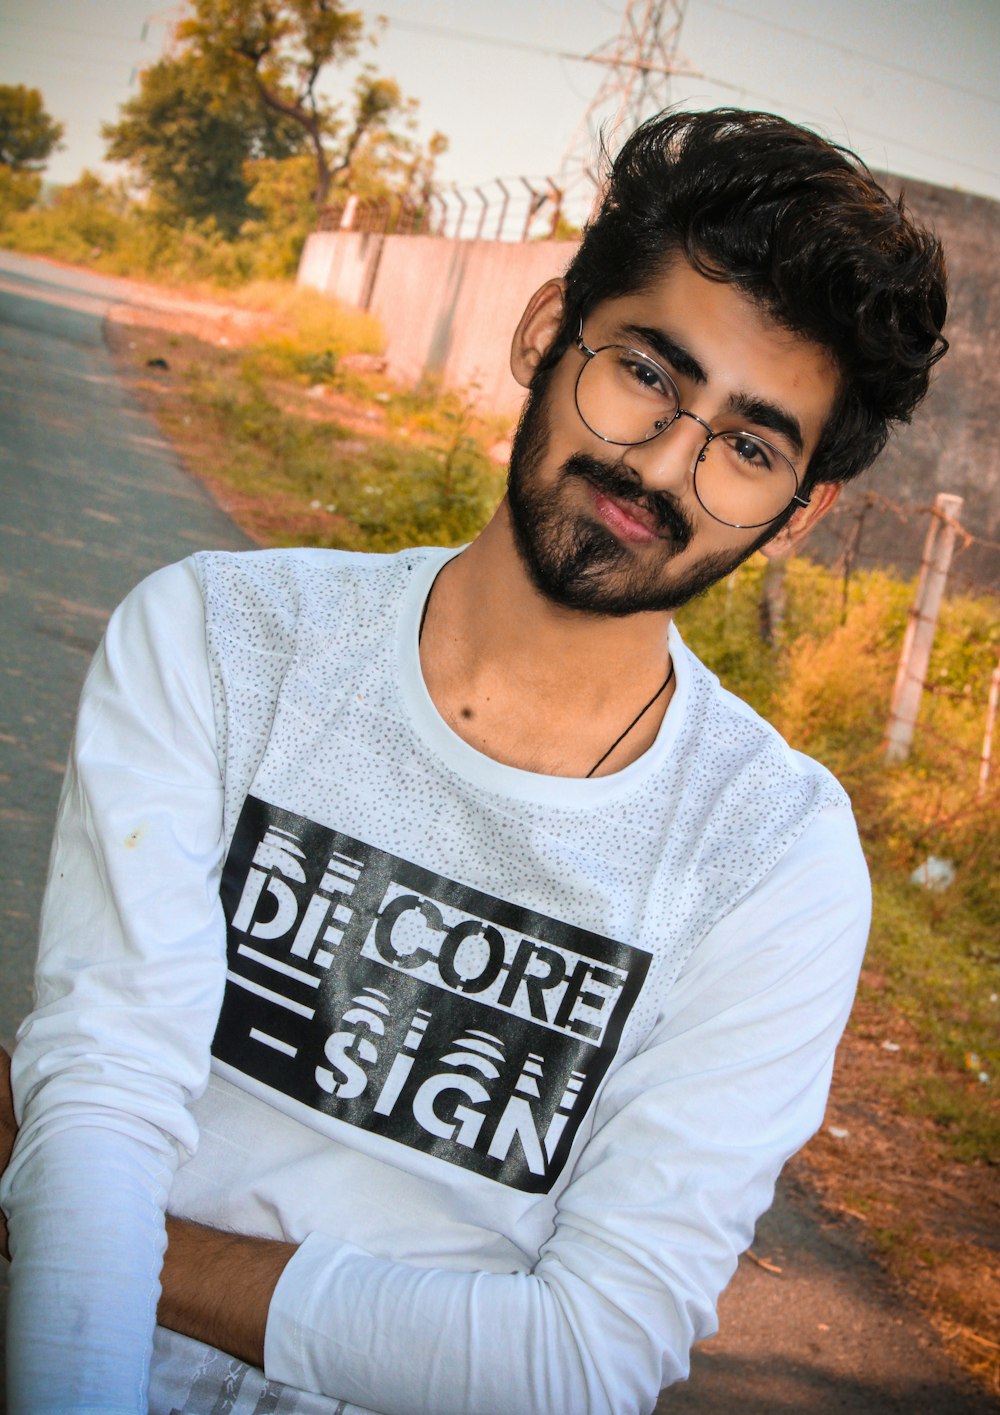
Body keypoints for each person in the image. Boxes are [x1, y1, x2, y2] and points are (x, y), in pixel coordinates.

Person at [1, 108, 947, 1415]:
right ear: (544, 325)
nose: (663, 464)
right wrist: (75, 1221)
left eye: (747, 446)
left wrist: (105, 1235)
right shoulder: (226, 643)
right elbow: (104, 1100)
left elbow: (583, 1359)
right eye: (649, 373)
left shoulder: (769, 864)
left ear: (800, 514)